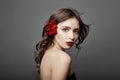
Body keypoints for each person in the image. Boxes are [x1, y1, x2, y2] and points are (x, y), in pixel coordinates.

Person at [35, 8, 89, 80]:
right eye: (65, 29)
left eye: (76, 31)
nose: (72, 37)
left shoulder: (47, 52)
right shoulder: (63, 58)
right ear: (52, 29)